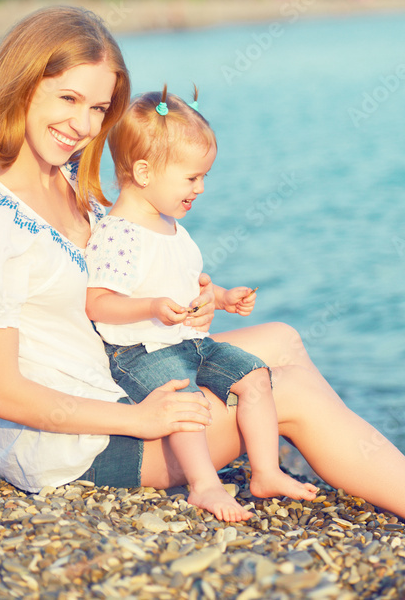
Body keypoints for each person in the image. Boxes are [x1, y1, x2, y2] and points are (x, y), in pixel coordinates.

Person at [0, 5, 405, 556]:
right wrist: (145, 420)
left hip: (116, 379)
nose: (82, 124)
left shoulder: (68, 182)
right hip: (75, 443)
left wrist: (179, 303)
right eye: (67, 99)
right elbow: (0, 394)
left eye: (98, 106)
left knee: (283, 339)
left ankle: (325, 469)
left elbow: (106, 290)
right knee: (285, 392)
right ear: (23, 86)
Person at [84, 86, 318, 522]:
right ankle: (204, 486)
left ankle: (265, 471)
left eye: (204, 176)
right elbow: (97, 304)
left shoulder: (171, 225)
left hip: (189, 340)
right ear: (144, 172)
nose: (202, 188)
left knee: (254, 376)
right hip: (138, 352)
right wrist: (150, 307)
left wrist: (223, 298)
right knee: (187, 403)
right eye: (192, 178)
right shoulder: (120, 234)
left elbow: (188, 283)